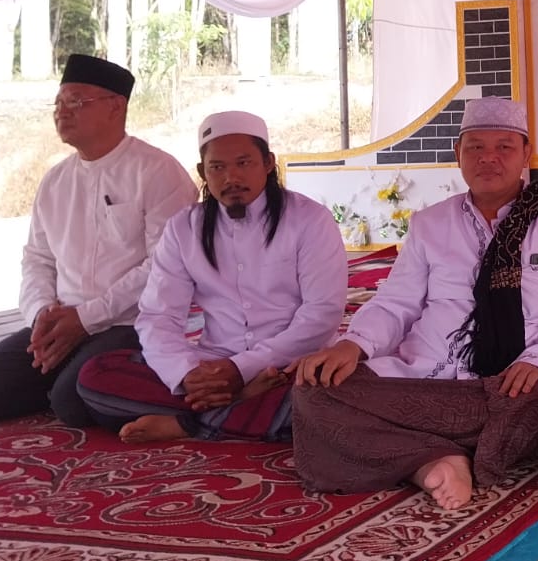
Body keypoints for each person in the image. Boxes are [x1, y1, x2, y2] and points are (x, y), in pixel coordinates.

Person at [288, 97, 538, 510]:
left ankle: (408, 451)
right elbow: (396, 302)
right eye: (475, 147)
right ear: (458, 153)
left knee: (535, 411)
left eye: (504, 147)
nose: (488, 158)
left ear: (526, 154)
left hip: (513, 384)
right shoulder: (430, 223)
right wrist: (354, 345)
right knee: (313, 389)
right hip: (424, 376)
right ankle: (437, 459)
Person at [76, 111, 347, 443]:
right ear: (203, 172)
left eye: (244, 163)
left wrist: (242, 369)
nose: (231, 177)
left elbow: (321, 315)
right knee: (95, 375)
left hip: (289, 366)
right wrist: (186, 375)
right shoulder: (183, 229)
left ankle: (188, 424)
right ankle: (237, 408)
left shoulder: (310, 220)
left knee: (333, 395)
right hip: (212, 366)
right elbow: (158, 316)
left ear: (268, 163)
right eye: (217, 167)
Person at [0, 55, 198, 426]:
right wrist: (41, 316)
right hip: (61, 322)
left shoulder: (157, 171)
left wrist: (86, 319)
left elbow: (163, 266)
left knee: (71, 402)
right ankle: (60, 380)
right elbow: (37, 258)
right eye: (58, 103)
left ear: (116, 106)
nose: (62, 112)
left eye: (75, 102)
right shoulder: (55, 180)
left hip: (131, 323)